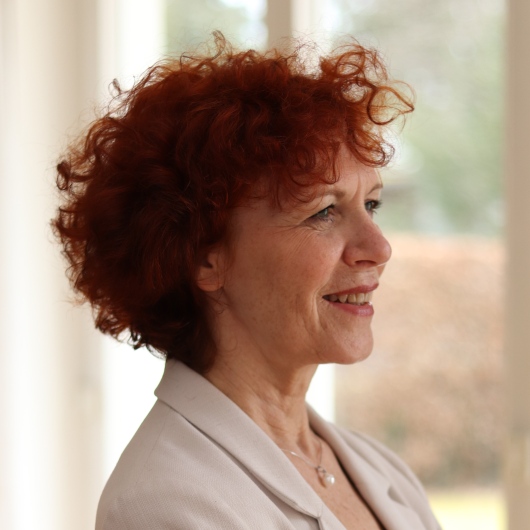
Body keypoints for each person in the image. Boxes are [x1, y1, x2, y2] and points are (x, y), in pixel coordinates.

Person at [53, 33, 441, 530]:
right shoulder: (165, 504)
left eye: (371, 205)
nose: (379, 248)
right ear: (203, 258)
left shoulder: (383, 472)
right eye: (324, 211)